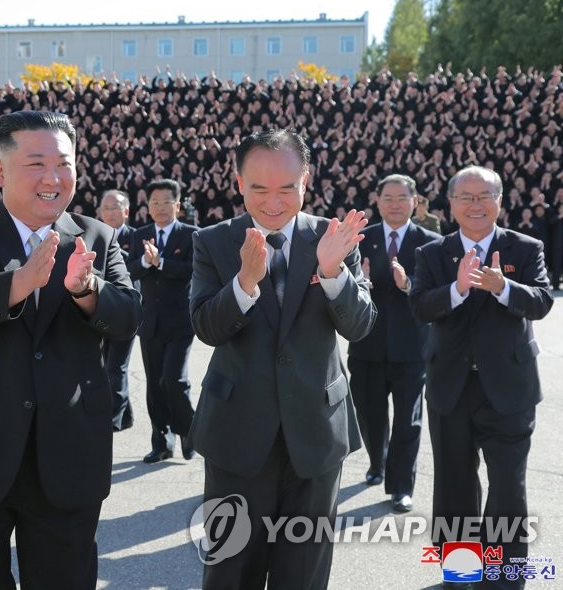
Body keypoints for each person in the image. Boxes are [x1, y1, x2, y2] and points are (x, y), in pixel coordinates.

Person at [0, 110, 141, 589]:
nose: (52, 177)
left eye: (63, 164)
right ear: (0, 172)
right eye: (36, 164)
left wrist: (87, 290)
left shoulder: (96, 236)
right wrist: (16, 284)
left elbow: (126, 316)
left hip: (67, 451)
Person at [189, 129, 376, 589]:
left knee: (305, 572)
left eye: (287, 188)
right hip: (237, 431)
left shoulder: (332, 237)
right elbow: (207, 328)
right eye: (259, 188)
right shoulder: (212, 241)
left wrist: (332, 272)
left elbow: (360, 325)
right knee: (230, 569)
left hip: (315, 431)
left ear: (306, 180)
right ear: (238, 183)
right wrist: (244, 284)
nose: (273, 202)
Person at [410, 165, 553, 583]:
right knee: (454, 485)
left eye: (484, 196)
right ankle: (461, 570)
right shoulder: (431, 253)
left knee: (508, 485)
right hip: (450, 388)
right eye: (466, 197)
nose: (476, 204)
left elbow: (542, 301)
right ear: (450, 204)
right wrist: (456, 290)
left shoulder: (525, 248)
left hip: (509, 388)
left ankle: (504, 574)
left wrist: (501, 287)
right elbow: (420, 306)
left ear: (500, 202)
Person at [347, 174, 440, 514]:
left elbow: (435, 292)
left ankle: (401, 486)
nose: (395, 204)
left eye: (403, 198)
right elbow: (342, 285)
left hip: (413, 348)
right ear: (378, 201)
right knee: (369, 416)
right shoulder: (360, 240)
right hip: (366, 345)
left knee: (408, 421)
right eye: (389, 197)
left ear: (415, 202)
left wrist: (408, 284)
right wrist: (361, 283)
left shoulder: (430, 242)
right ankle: (378, 460)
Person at [127, 178, 199, 462]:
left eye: (166, 202)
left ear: (177, 205)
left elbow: (191, 270)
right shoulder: (139, 235)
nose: (160, 207)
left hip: (180, 321)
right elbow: (130, 268)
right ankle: (162, 441)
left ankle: (189, 433)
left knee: (174, 379)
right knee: (155, 384)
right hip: (150, 322)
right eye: (154, 202)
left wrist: (162, 263)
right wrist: (146, 263)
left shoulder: (191, 234)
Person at [97, 189, 137, 432]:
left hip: (125, 310)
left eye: (116, 207)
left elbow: (135, 269)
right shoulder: (95, 236)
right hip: (101, 310)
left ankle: (112, 420)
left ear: (127, 211)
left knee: (116, 367)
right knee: (104, 365)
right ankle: (127, 415)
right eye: (106, 208)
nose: (111, 213)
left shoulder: (137, 237)